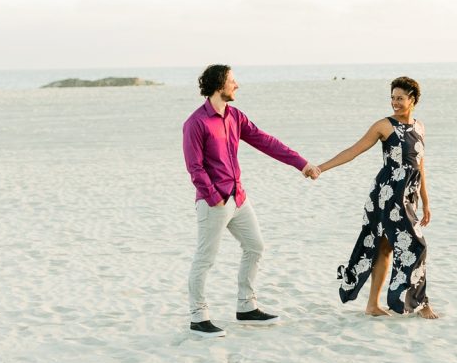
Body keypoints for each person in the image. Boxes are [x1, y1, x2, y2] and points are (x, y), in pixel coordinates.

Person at [183, 64, 320, 338]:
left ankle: (246, 306)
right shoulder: (195, 123)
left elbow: (265, 141)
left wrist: (301, 164)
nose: (237, 85)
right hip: (215, 202)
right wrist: (214, 197)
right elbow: (194, 167)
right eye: (233, 81)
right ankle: (198, 317)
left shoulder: (234, 116)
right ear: (219, 85)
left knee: (255, 246)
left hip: (238, 197)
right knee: (205, 259)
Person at [318, 76, 439, 319]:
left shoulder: (420, 127)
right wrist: (321, 167)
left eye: (400, 98)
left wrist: (426, 201)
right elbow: (354, 151)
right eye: (392, 98)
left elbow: (420, 166)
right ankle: (421, 303)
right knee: (417, 245)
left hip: (409, 195)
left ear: (412, 100)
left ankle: (372, 305)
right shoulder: (384, 126)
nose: (395, 102)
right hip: (388, 195)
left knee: (384, 247)